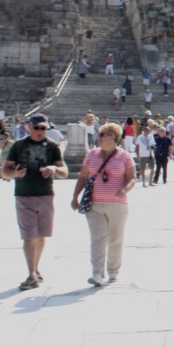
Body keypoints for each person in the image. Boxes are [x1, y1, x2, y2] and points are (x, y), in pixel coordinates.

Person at [2, 114, 67, 291]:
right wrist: (15, 174)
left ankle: (36, 268)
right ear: (29, 127)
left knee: (40, 235)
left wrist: (53, 168)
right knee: (29, 236)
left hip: (46, 194)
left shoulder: (52, 147)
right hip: (24, 195)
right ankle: (31, 274)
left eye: (43, 128)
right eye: (36, 128)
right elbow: (5, 171)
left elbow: (64, 171)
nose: (39, 131)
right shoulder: (19, 145)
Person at [70, 123, 136, 287]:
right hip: (94, 204)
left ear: (113, 137)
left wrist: (125, 189)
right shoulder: (92, 154)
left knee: (115, 238)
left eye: (101, 135)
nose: (98, 138)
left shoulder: (124, 156)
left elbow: (132, 177)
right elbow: (83, 176)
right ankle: (97, 273)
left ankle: (113, 271)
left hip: (117, 204)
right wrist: (75, 196)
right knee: (97, 239)